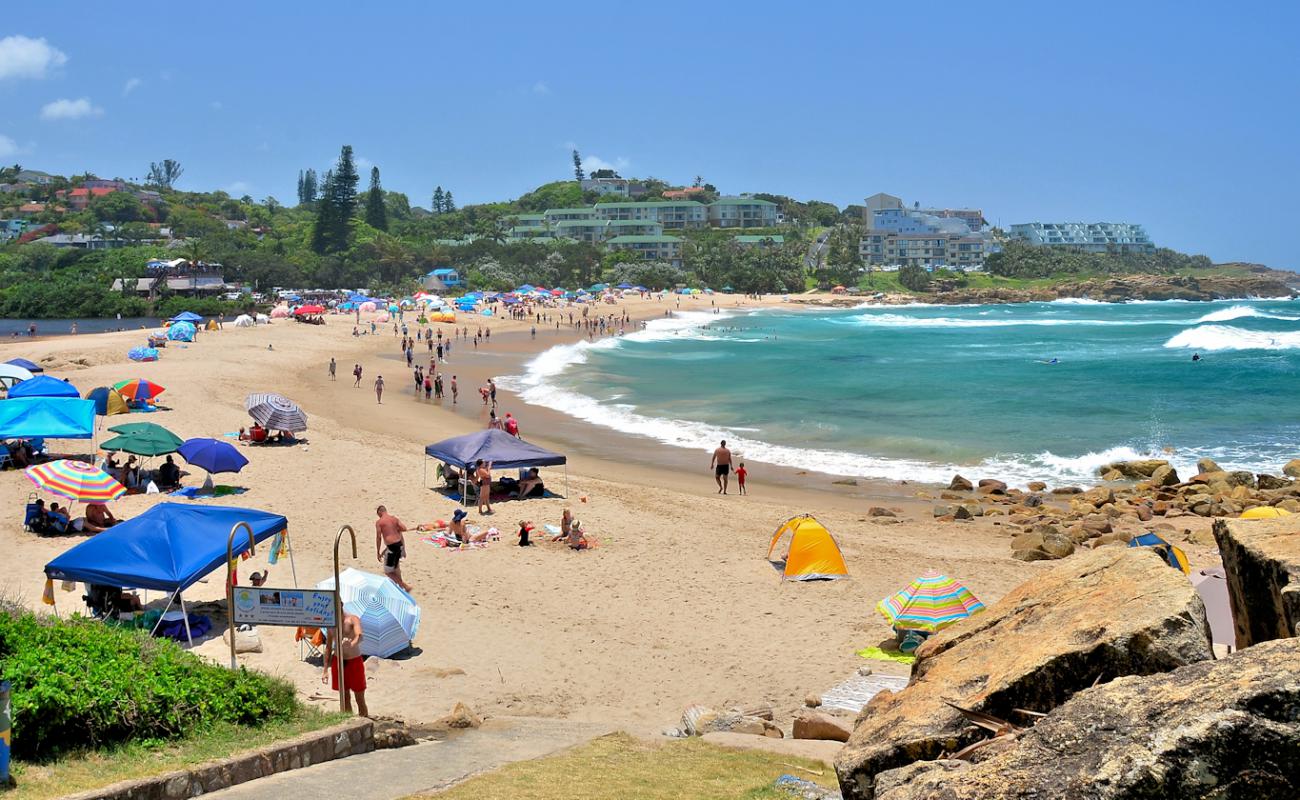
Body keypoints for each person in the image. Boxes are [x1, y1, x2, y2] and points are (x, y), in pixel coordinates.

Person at [323, 612, 368, 716]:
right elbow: (328, 647)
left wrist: (351, 644)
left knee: (359, 697)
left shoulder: (352, 619)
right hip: (338, 661)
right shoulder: (330, 623)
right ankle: (348, 722)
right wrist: (325, 670)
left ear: (340, 605)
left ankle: (364, 721)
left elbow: (359, 636)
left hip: (354, 660)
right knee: (344, 697)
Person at [374, 505, 412, 591]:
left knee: (388, 572)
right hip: (399, 545)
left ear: (380, 512)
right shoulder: (394, 519)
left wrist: (378, 551)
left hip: (392, 548)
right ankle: (400, 588)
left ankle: (405, 586)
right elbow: (404, 528)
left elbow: (378, 538)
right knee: (396, 568)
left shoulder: (379, 522)